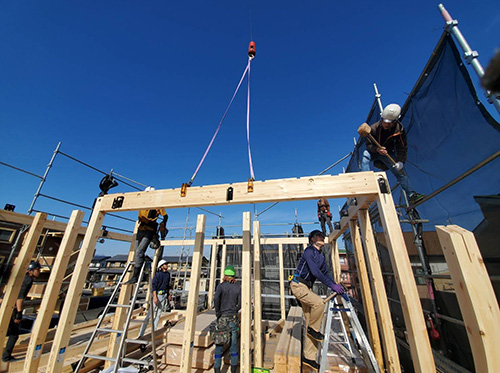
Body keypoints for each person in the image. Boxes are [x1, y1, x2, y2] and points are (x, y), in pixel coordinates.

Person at [290, 230, 344, 371]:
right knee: (319, 303)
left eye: (322, 236)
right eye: (319, 236)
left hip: (307, 287)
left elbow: (325, 272)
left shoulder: (320, 255)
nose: (322, 238)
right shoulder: (309, 251)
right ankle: (313, 329)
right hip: (298, 285)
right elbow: (315, 272)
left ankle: (309, 357)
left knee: (310, 322)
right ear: (313, 239)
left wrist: (335, 285)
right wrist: (331, 285)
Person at [361, 103, 425, 205]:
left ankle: (411, 195)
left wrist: (400, 161)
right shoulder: (373, 128)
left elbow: (402, 146)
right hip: (373, 151)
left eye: (389, 122)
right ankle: (366, 183)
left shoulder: (399, 130)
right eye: (385, 121)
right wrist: (377, 149)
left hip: (388, 153)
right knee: (365, 156)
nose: (386, 124)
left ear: (395, 121)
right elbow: (369, 145)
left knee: (399, 172)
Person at [126, 187, 168, 284]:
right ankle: (142, 263)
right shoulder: (142, 203)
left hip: (150, 229)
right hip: (140, 228)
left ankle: (135, 276)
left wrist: (163, 224)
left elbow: (165, 216)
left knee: (140, 251)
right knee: (137, 251)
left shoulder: (157, 205)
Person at [2, 261, 41, 362]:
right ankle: (6, 357)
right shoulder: (27, 280)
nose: (39, 272)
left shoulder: (23, 278)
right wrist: (19, 314)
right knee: (14, 333)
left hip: (5, 304)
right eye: (37, 270)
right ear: (31, 271)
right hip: (7, 306)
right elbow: (19, 297)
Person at [213, 265, 241, 373]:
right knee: (233, 346)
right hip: (233, 318)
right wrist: (235, 309)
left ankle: (217, 370)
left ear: (225, 275)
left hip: (222, 318)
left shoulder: (221, 286)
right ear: (233, 276)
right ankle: (233, 370)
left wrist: (218, 312)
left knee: (219, 345)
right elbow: (240, 303)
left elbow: (216, 299)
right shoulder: (238, 287)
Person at [139, 259, 171, 336]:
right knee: (150, 315)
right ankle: (141, 333)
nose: (166, 265)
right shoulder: (158, 275)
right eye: (165, 264)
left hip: (164, 295)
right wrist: (155, 297)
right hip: (158, 295)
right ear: (161, 266)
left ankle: (154, 330)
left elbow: (168, 285)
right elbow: (154, 287)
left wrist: (169, 295)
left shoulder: (167, 274)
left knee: (159, 313)